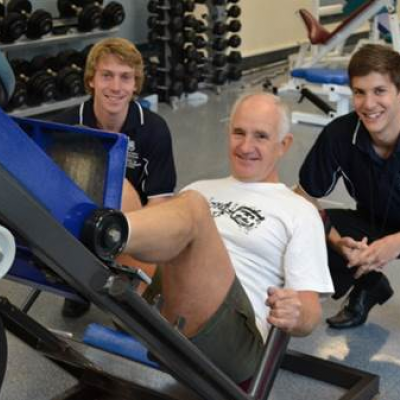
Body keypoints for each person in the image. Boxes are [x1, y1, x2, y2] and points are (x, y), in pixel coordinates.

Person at [102, 93, 333, 383]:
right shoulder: (202, 186)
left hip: (233, 339)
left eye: (261, 136)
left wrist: (297, 316)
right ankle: (95, 237)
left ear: (283, 145)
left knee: (194, 207)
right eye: (239, 132)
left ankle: (107, 235)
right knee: (118, 187)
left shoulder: (299, 210)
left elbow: (310, 311)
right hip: (165, 299)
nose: (246, 146)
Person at [54, 37, 176, 317]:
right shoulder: (64, 126)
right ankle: (77, 284)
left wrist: (132, 245)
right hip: (79, 221)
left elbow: (160, 207)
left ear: (136, 84)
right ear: (91, 80)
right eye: (107, 75)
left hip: (133, 226)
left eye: (125, 78)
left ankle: (130, 286)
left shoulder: (155, 129)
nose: (116, 87)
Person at [296, 43, 400, 329]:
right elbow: (301, 198)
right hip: (372, 219)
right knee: (305, 228)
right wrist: (336, 241)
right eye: (359, 92)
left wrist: (395, 243)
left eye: (379, 91)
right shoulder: (340, 134)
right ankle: (370, 285)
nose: (368, 104)